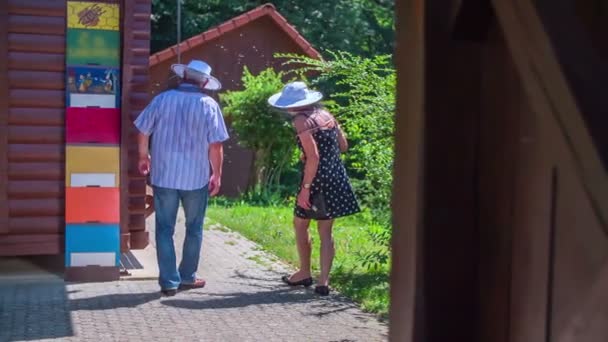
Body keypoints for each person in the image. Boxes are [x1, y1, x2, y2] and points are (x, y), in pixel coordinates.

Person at [134, 60, 229, 296]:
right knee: (194, 228)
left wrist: (143, 157)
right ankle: (187, 276)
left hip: (164, 175)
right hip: (195, 177)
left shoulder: (162, 99)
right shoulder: (209, 105)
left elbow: (143, 130)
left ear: (183, 75)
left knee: (164, 229)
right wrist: (216, 174)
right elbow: (215, 145)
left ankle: (168, 282)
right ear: (205, 82)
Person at [268, 81, 360, 296]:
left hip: (316, 179)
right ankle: (324, 282)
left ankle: (304, 272)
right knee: (326, 231)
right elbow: (343, 146)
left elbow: (313, 157)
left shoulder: (301, 120)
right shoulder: (326, 115)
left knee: (301, 224)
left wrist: (305, 189)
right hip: (336, 175)